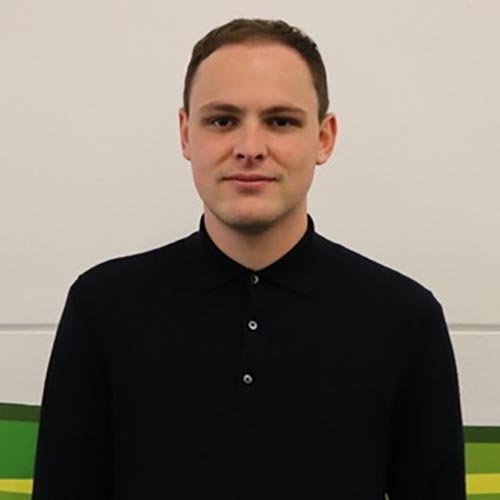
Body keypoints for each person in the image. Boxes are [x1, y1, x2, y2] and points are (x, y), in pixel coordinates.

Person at [32, 18, 466, 499]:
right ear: (185, 134)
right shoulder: (104, 307)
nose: (250, 148)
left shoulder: (405, 318)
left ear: (324, 137)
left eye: (281, 121)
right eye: (223, 120)